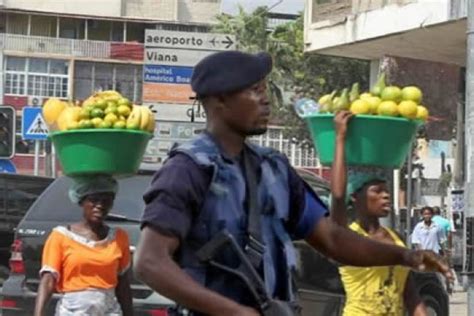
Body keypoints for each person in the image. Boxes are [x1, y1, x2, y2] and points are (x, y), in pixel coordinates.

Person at [134, 50, 451, 316]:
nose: (266, 100)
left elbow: (334, 240)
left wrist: (404, 256)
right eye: (255, 90)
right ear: (219, 100)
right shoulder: (188, 169)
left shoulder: (275, 168)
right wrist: (236, 312)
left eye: (265, 89)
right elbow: (150, 262)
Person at [330, 111, 427, 316]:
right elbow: (338, 195)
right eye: (377, 191)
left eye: (387, 191)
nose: (386, 196)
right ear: (355, 197)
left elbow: (410, 294)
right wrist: (340, 137)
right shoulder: (347, 236)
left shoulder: (396, 239)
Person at [34, 175, 133, 316]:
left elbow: (123, 284)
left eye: (106, 201)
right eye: (93, 200)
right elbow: (48, 280)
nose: (100, 206)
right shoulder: (61, 236)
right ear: (82, 201)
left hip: (109, 310)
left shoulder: (119, 238)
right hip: (73, 310)